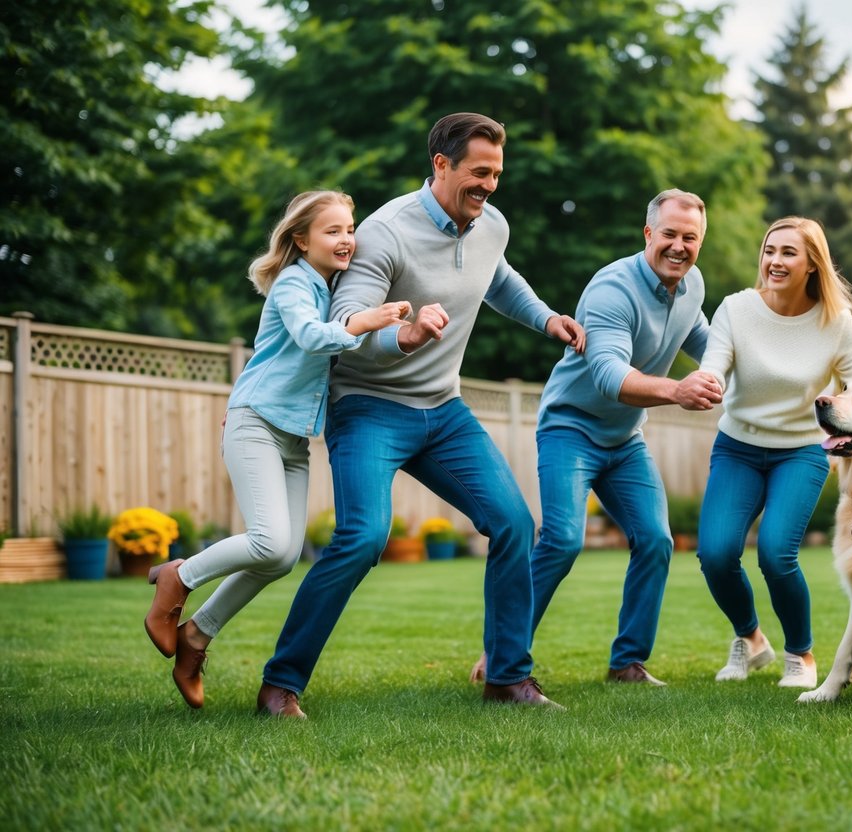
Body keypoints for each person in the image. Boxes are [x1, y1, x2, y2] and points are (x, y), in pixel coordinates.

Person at [256, 113, 585, 718]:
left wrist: (546, 319)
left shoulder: (491, 225)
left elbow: (499, 279)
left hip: (443, 408)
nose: (489, 185)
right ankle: (280, 684)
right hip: (368, 408)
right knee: (362, 539)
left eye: (496, 174)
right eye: (478, 172)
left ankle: (507, 678)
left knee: (514, 524)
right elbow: (347, 325)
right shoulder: (384, 233)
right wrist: (403, 337)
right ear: (441, 165)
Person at [144, 190, 410, 708]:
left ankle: (195, 639)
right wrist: (368, 321)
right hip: (256, 423)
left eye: (350, 229)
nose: (347, 239)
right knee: (268, 541)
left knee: (284, 555)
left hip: (293, 437)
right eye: (333, 230)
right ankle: (180, 575)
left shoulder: (332, 290)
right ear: (300, 239)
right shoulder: (294, 284)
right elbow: (312, 338)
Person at [524, 189, 722, 686]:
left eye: (690, 238)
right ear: (648, 234)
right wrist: (677, 390)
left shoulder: (692, 284)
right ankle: (502, 649)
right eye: (670, 234)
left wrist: (748, 370)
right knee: (563, 541)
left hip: (624, 439)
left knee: (655, 540)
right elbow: (611, 375)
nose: (679, 246)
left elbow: (706, 340)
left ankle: (628, 663)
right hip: (570, 428)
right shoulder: (612, 289)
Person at [693, 216, 852, 689]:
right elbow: (715, 363)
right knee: (715, 552)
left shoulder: (836, 323)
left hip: (800, 452)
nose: (774, 260)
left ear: (813, 263)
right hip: (738, 448)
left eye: (788, 252)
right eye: (770, 250)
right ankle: (750, 639)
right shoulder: (736, 308)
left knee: (775, 553)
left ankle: (801, 654)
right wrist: (707, 382)